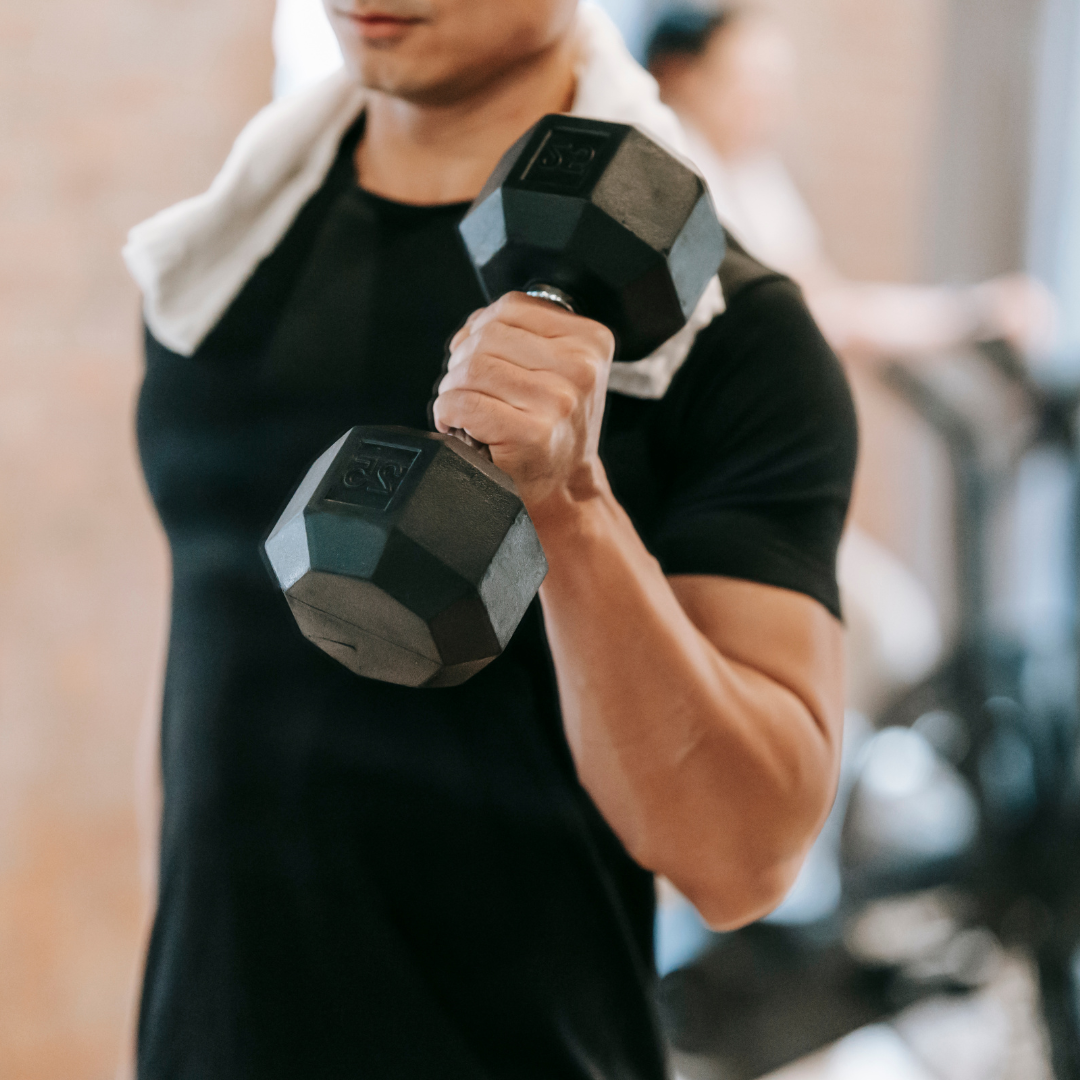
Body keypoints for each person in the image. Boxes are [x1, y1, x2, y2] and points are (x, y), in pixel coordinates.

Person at [122, 2, 856, 1076]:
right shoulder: (216, 270)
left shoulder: (731, 342)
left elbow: (741, 857)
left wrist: (571, 505)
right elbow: (215, 689)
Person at [646, 5, 1055, 366]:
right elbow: (823, 316)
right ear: (682, 76)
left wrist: (972, 313)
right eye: (750, 79)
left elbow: (827, 298)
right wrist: (970, 315)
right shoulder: (675, 164)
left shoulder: (752, 171)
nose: (769, 102)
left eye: (777, 84)